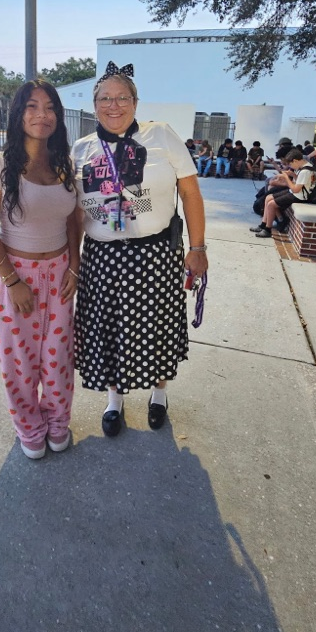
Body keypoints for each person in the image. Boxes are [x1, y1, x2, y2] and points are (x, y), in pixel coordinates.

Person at [72, 61, 208, 437]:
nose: (113, 105)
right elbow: (72, 209)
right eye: (104, 98)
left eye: (122, 98)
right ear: (93, 103)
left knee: (157, 328)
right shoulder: (81, 149)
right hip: (101, 258)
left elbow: (191, 192)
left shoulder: (161, 135)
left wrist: (197, 247)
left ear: (135, 101)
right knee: (110, 330)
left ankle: (158, 394)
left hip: (154, 256)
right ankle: (114, 400)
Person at [0, 80, 80, 460]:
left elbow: (73, 222)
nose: (42, 114)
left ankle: (56, 423)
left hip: (61, 275)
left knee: (58, 357)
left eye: (50, 107)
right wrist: (12, 280)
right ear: (19, 114)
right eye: (32, 106)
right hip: (16, 276)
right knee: (18, 361)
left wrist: (75, 267)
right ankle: (29, 427)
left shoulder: (65, 164)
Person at [250, 149, 316, 238]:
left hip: (299, 196)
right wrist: (292, 174)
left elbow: (295, 189)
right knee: (268, 197)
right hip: (296, 192)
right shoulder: (304, 167)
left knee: (271, 204)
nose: (290, 166)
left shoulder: (305, 171)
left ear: (295, 161)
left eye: (291, 164)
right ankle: (263, 224)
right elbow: (298, 181)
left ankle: (267, 230)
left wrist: (286, 178)